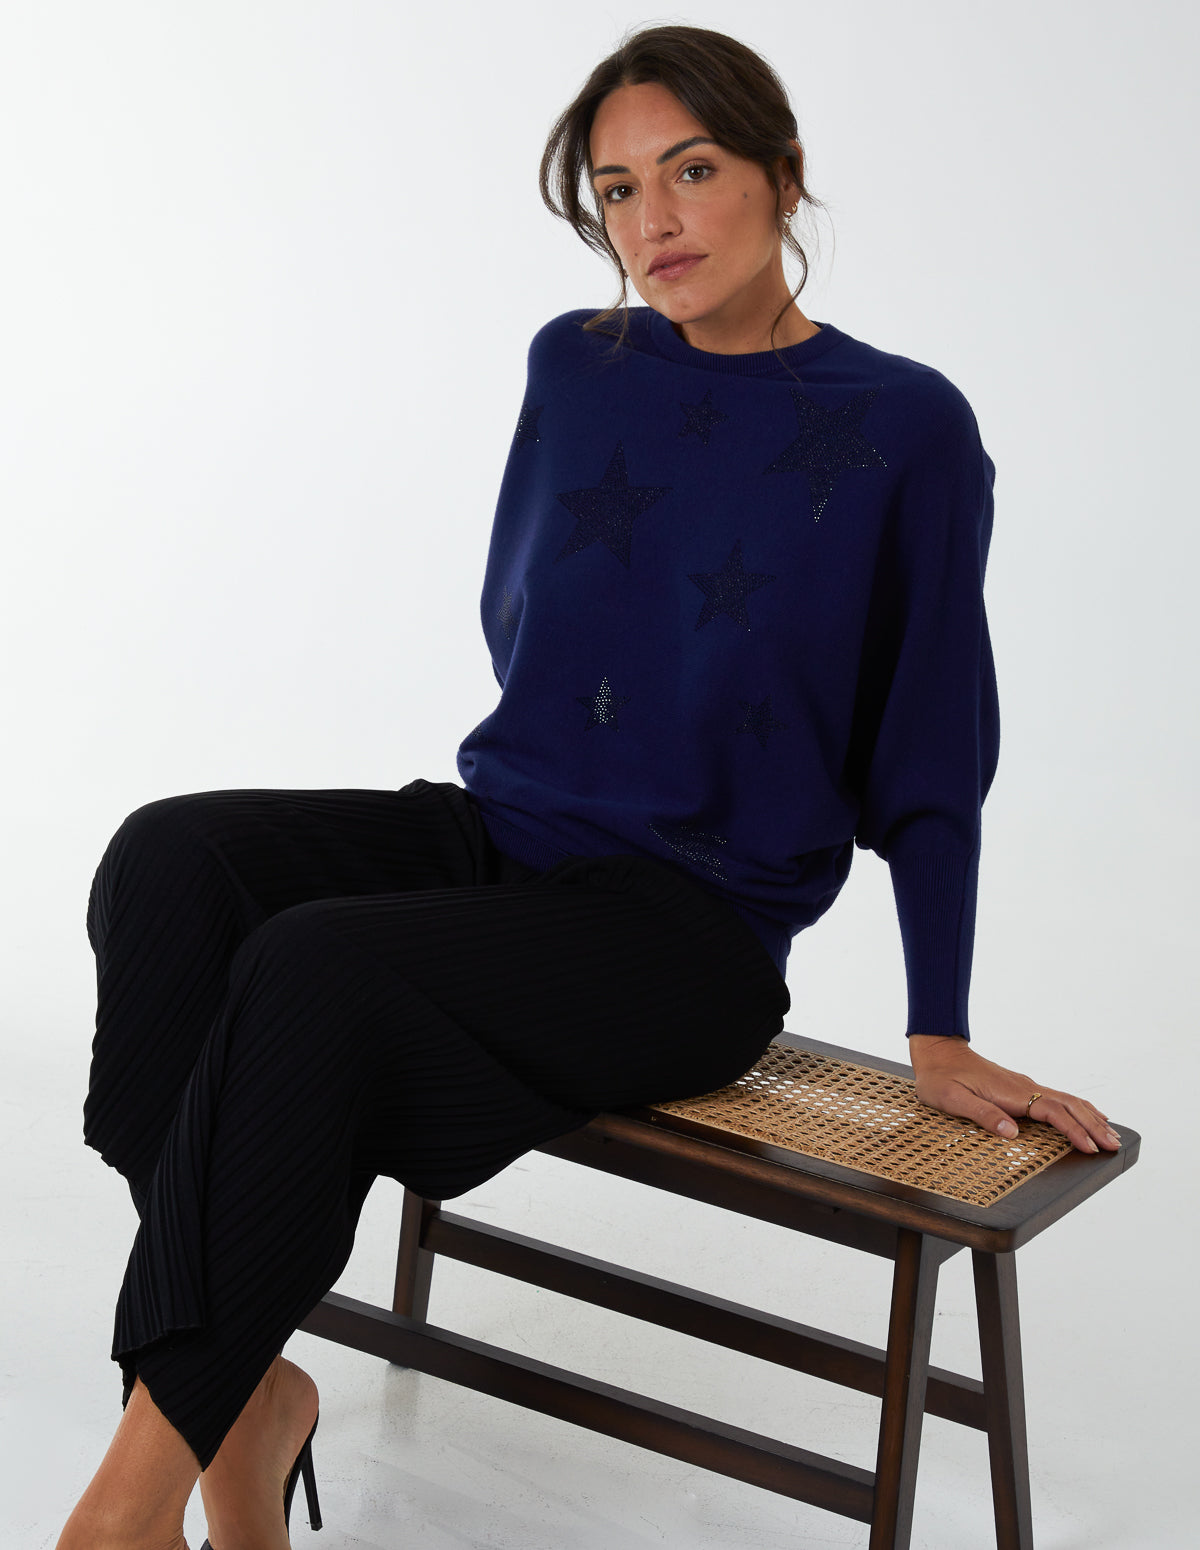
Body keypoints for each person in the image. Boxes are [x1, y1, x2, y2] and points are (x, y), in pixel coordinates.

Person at [57, 23, 1120, 1550]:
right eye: (618, 191)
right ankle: (241, 1406)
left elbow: (932, 748)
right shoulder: (576, 364)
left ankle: (126, 1506)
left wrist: (937, 1024)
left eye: (691, 171)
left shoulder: (906, 428)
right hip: (505, 835)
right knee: (169, 866)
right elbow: (523, 619)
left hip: (689, 931)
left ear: (784, 174)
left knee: (315, 963)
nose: (653, 221)